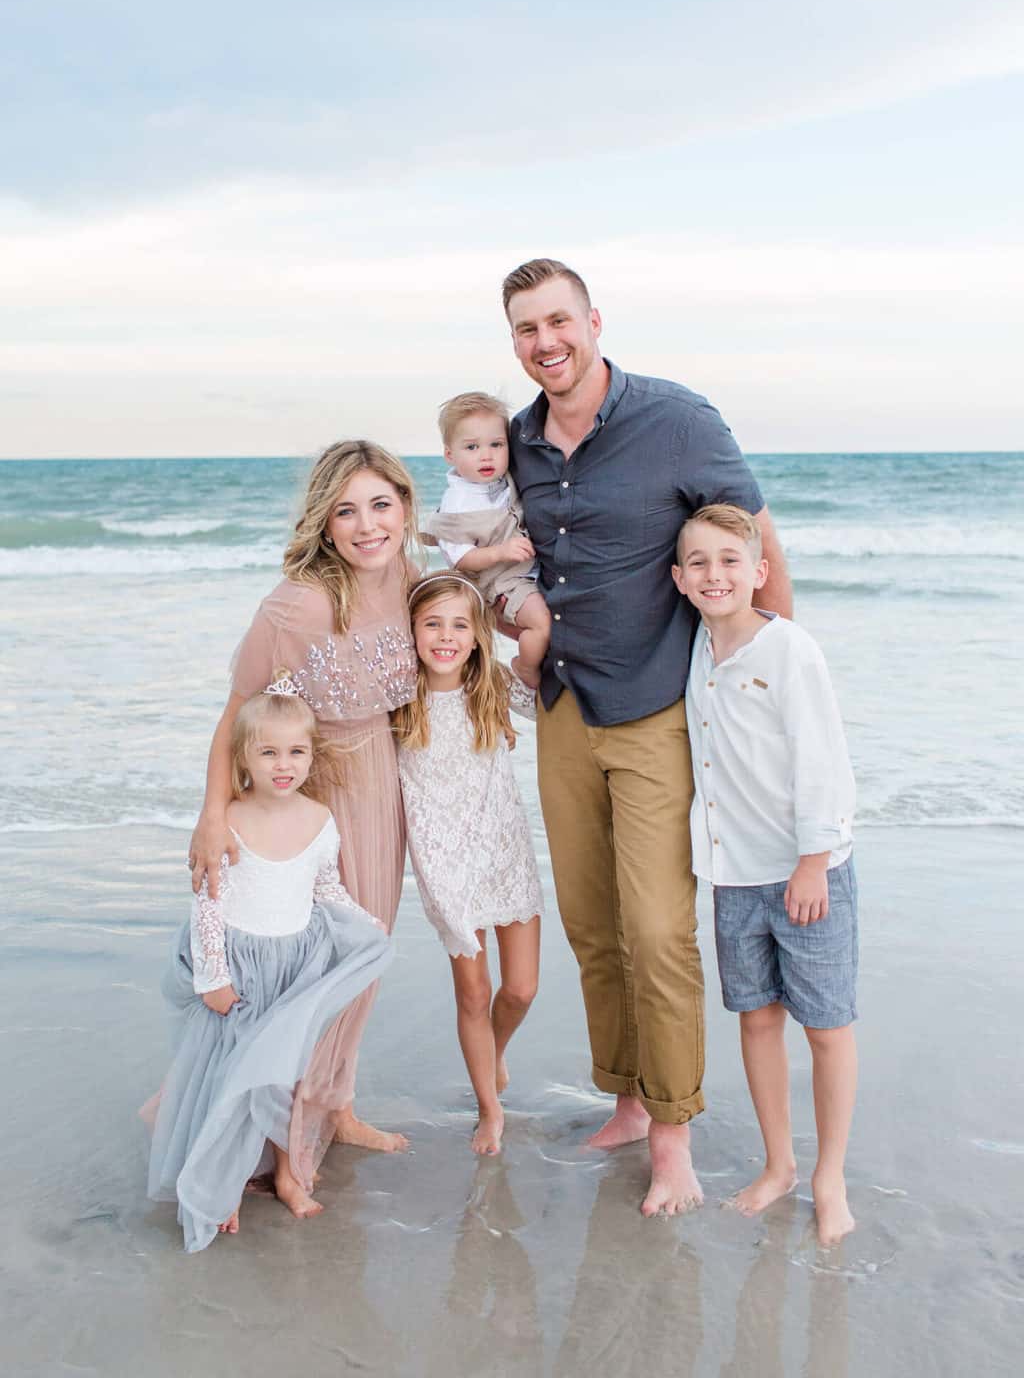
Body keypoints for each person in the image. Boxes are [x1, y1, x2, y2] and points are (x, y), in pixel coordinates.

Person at [504, 256, 792, 1217]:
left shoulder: (677, 419)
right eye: (525, 330)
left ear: (593, 320)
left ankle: (673, 1138)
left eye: (558, 321)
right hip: (560, 708)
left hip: (657, 710)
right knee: (592, 925)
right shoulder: (518, 440)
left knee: (661, 930)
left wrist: (772, 676)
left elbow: (756, 539)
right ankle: (625, 1099)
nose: (546, 343)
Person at [188, 440, 420, 1154]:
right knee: (313, 967)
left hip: (387, 789)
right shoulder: (297, 607)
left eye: (380, 505)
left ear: (406, 509)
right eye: (345, 511)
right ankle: (266, 1126)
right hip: (317, 803)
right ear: (324, 524)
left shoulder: (410, 577)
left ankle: (333, 1104)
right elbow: (237, 715)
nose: (366, 525)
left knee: (363, 956)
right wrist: (213, 816)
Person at [146, 677, 393, 1253]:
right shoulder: (228, 821)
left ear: (312, 754)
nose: (284, 765)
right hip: (242, 969)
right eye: (269, 752)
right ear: (245, 759)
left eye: (297, 752)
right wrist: (215, 975)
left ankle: (286, 1173)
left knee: (287, 1080)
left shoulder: (318, 818)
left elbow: (325, 886)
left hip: (296, 968)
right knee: (232, 1081)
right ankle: (223, 1181)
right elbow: (208, 903)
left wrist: (365, 921)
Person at [673, 504, 857, 1246]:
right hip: (733, 871)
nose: (715, 574)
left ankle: (829, 1175)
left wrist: (813, 860)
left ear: (759, 572)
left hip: (805, 869)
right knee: (756, 1018)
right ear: (679, 579)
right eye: (699, 562)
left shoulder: (788, 650)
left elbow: (822, 758)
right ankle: (778, 1164)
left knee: (827, 1027)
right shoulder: (696, 647)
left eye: (729, 560)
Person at [394, 570, 542, 1156]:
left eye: (460, 624)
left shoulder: (496, 691)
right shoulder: (398, 702)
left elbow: (552, 682)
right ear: (411, 630)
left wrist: (525, 625)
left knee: (522, 989)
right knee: (474, 994)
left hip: (503, 848)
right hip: (443, 860)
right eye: (432, 623)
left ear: (480, 635)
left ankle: (494, 1052)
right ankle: (489, 1107)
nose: (446, 636)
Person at [420, 392, 551, 688]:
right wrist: (500, 552)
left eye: (496, 444)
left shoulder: (502, 480)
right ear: (450, 455)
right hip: (498, 582)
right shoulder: (457, 503)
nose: (486, 455)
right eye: (472, 447)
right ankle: (525, 667)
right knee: (542, 623)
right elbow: (462, 559)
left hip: (526, 571)